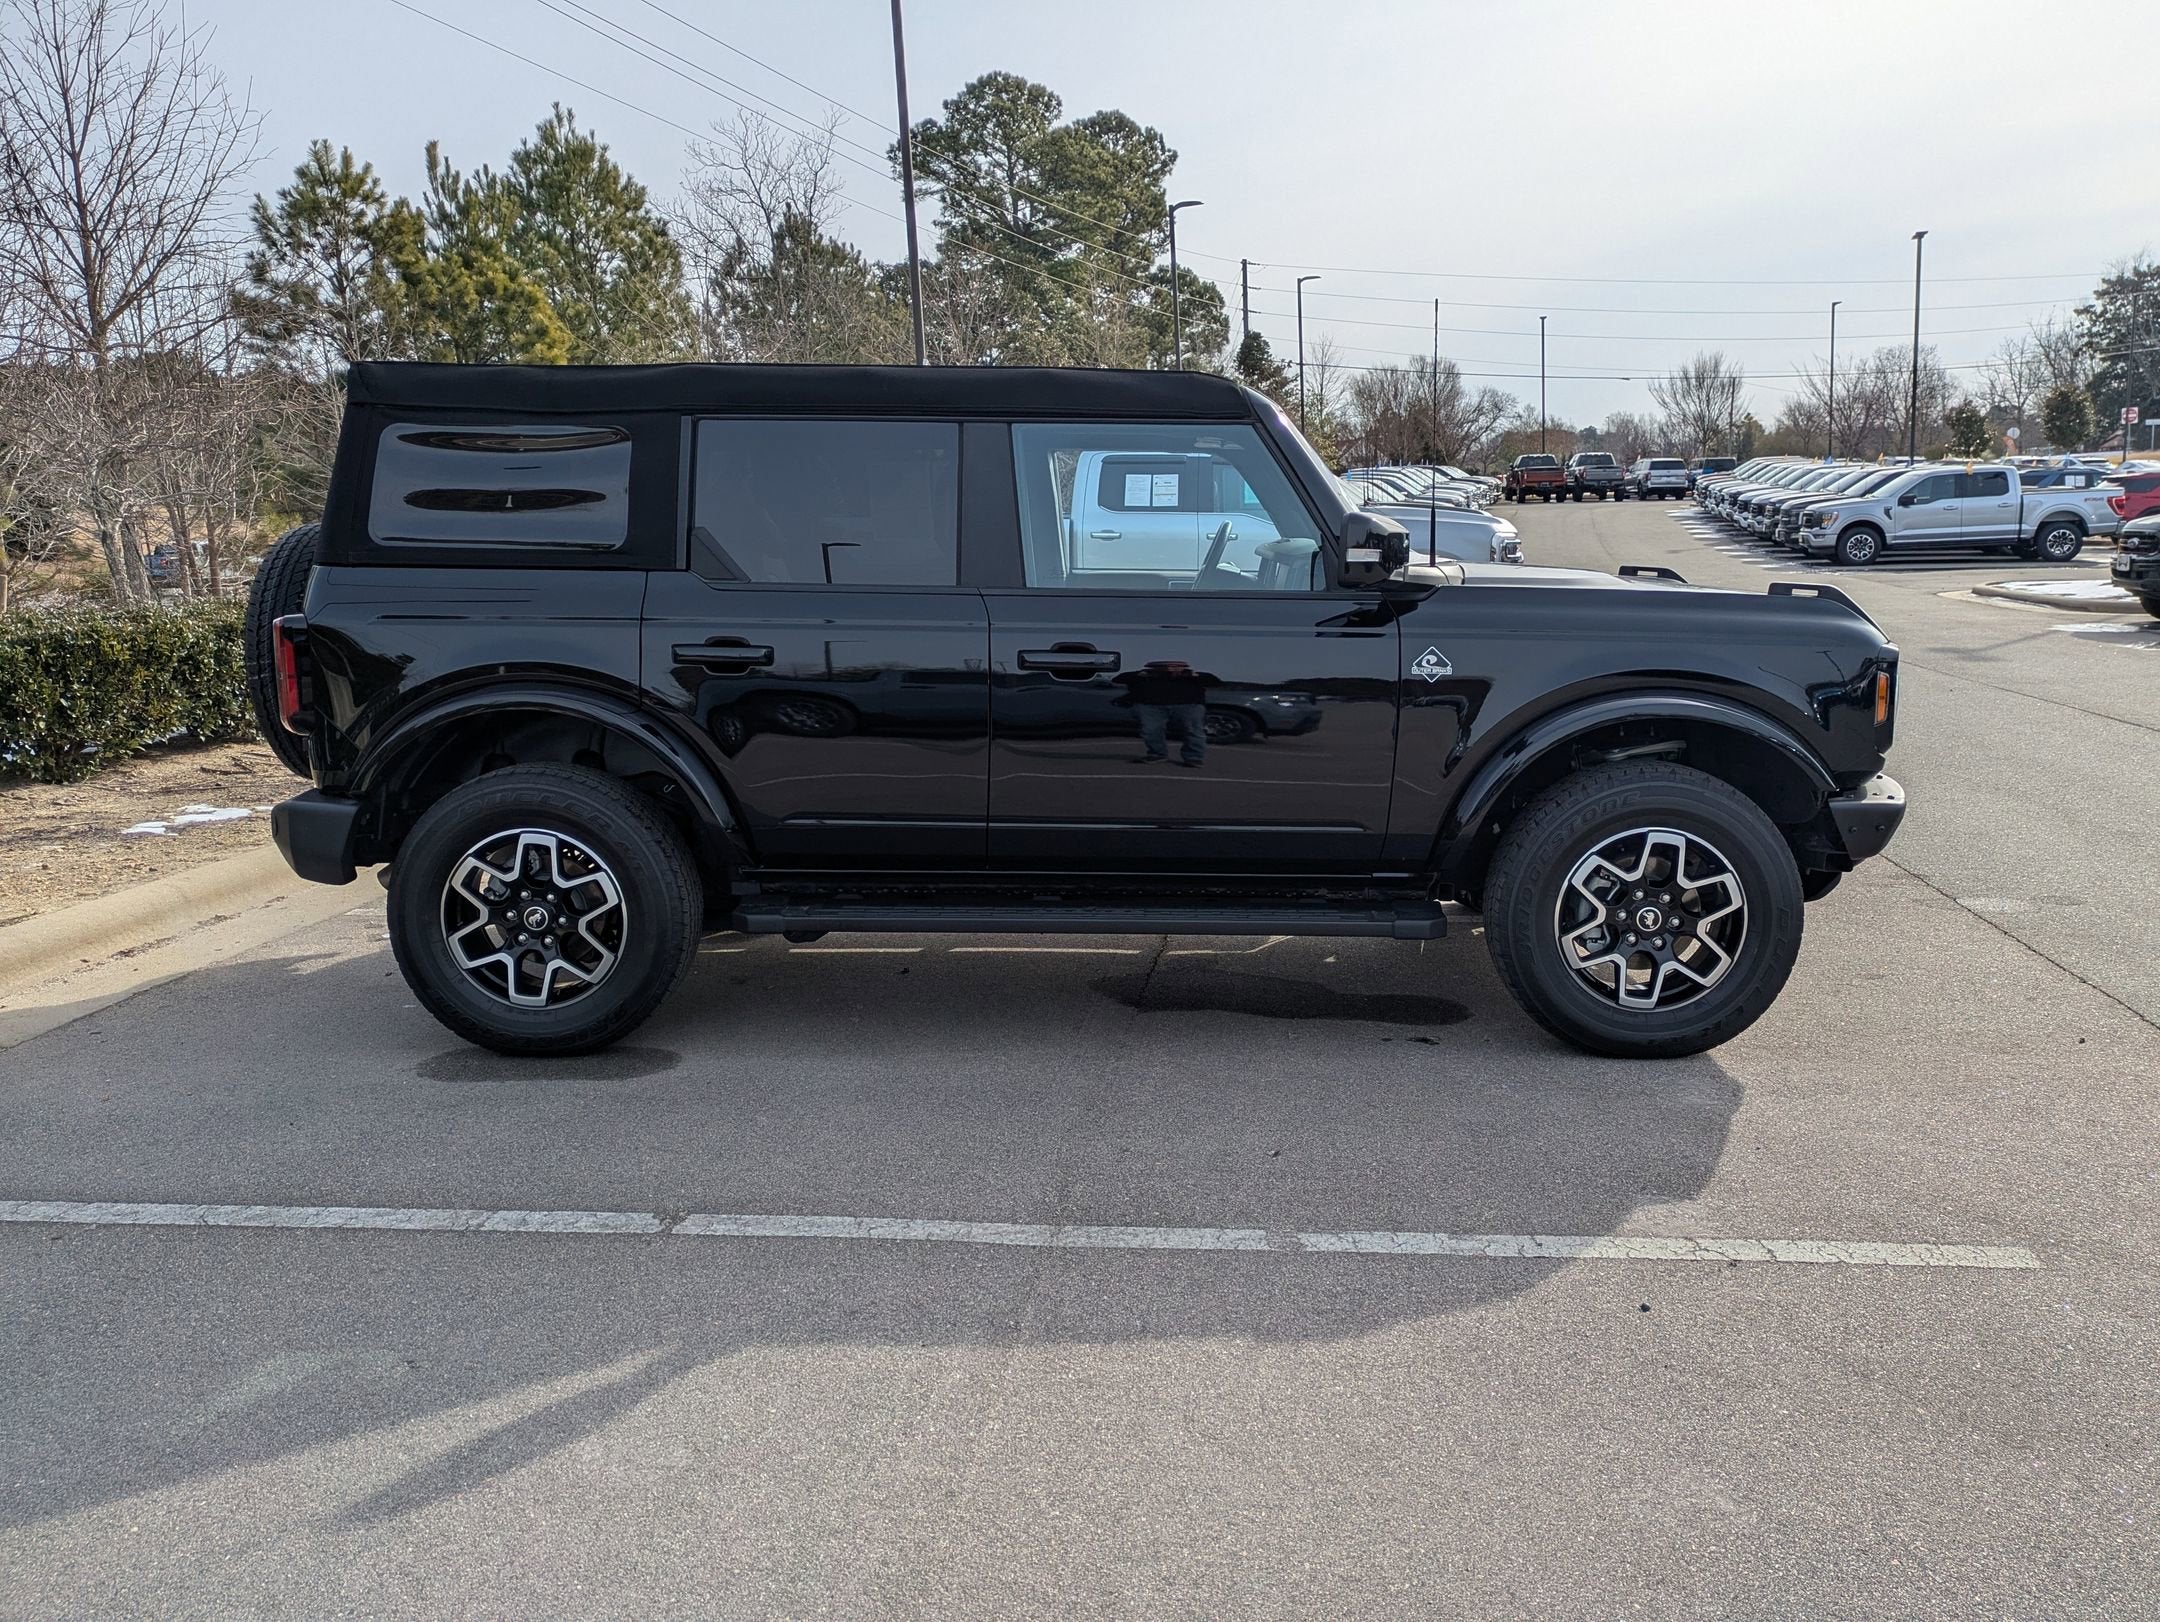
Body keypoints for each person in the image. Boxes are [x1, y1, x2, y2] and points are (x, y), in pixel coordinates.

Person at [1115, 659, 1218, 767]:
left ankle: (1194, 758)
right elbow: (1118, 679)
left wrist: (1195, 675)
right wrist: (1139, 674)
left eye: (1175, 667)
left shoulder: (1193, 677)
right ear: (1153, 668)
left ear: (1184, 667)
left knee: (1193, 731)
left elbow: (1216, 682)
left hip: (1189, 706)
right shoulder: (1143, 677)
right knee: (1151, 731)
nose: (1170, 669)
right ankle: (1157, 754)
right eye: (1165, 667)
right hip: (1150, 706)